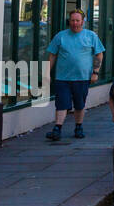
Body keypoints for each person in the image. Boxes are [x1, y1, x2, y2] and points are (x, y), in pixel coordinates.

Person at [45, 9, 106, 141]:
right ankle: (57, 128)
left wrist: (95, 72)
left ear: (83, 22)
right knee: (61, 103)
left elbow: (99, 54)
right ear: (69, 21)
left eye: (77, 20)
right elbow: (52, 55)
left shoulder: (91, 36)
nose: (74, 23)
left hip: (82, 77)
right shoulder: (60, 36)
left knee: (79, 104)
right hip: (62, 77)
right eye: (72, 20)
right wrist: (47, 73)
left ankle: (78, 127)